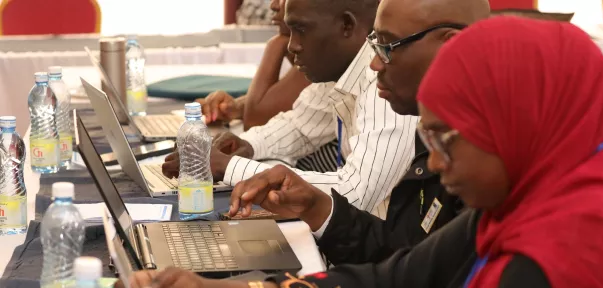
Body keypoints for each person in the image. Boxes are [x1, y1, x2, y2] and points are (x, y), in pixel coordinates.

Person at [118, 16, 603, 288]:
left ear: (518, 123)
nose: (432, 160)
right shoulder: (530, 199)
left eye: (445, 138)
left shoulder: (562, 259)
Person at [225, 0, 491, 264]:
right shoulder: (419, 113)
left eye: (387, 46)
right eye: (374, 42)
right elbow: (404, 257)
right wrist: (317, 207)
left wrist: (229, 167)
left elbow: (414, 276)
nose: (374, 63)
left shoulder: (394, 99)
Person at [163, 0, 420, 219]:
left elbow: (354, 193)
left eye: (301, 30)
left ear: (347, 26)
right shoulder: (341, 70)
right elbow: (298, 127)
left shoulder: (383, 81)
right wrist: (244, 145)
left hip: (385, 256)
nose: (292, 45)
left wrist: (228, 166)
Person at [199, 0, 340, 173]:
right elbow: (300, 121)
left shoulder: (327, 58)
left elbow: (255, 119)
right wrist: (237, 108)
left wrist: (276, 45)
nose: (273, 5)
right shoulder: (325, 62)